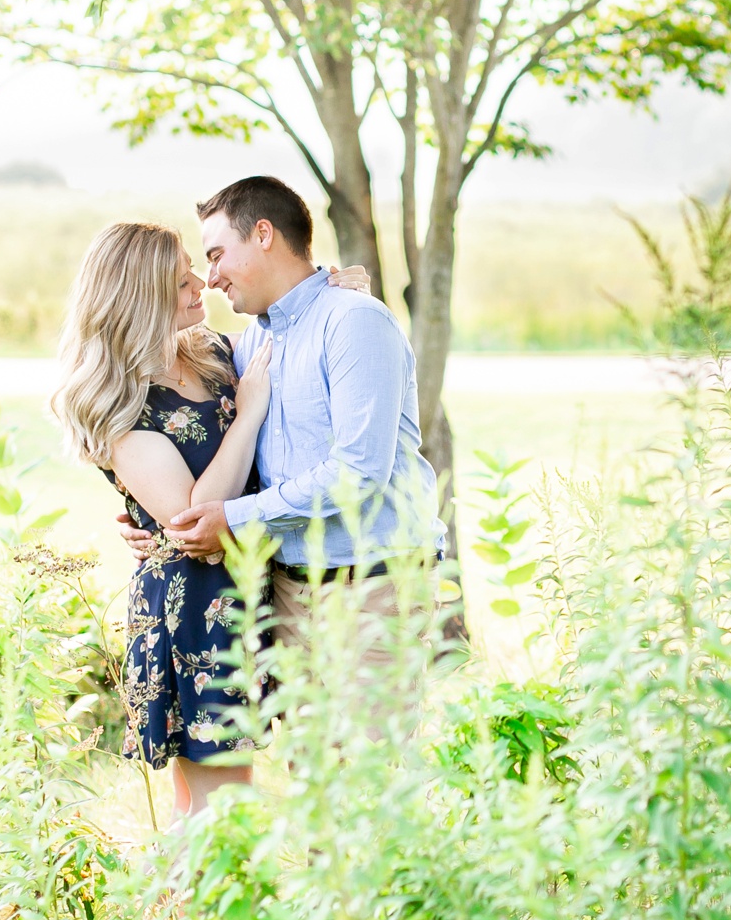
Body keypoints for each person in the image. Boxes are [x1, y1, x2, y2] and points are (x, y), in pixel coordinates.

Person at [52, 220, 370, 822]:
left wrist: (333, 289)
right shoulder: (120, 403)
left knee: (213, 797)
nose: (202, 283)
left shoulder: (215, 353)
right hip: (195, 606)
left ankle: (181, 913)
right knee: (220, 802)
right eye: (179, 282)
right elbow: (197, 521)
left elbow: (296, 317)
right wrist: (247, 415)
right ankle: (190, 913)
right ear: (139, 298)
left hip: (254, 587)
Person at [117, 175, 446, 741]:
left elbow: (358, 473)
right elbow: (211, 446)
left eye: (217, 254)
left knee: (368, 782)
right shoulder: (249, 346)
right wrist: (151, 517)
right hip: (290, 594)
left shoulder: (353, 321)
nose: (210, 277)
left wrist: (230, 521)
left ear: (263, 234)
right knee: (313, 788)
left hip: (373, 588)